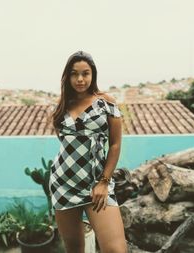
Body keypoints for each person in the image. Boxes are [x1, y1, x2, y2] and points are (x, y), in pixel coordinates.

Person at [49, 51, 127, 253]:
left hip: (97, 185)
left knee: (116, 249)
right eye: (74, 74)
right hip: (63, 184)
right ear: (68, 76)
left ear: (93, 75)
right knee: (74, 248)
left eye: (86, 73)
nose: (80, 79)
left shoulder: (106, 102)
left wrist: (103, 181)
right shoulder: (63, 105)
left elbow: (115, 144)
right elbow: (66, 143)